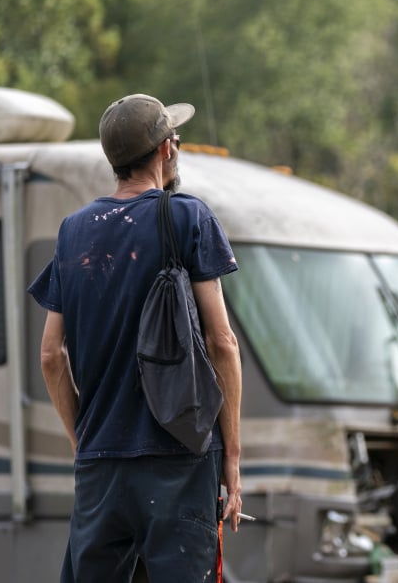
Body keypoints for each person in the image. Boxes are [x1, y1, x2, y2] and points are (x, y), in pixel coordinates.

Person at [28, 93, 243, 582]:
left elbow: (50, 356)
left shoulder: (73, 231)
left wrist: (84, 440)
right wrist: (231, 458)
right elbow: (222, 343)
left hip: (100, 462)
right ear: (168, 149)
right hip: (179, 462)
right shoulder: (189, 217)